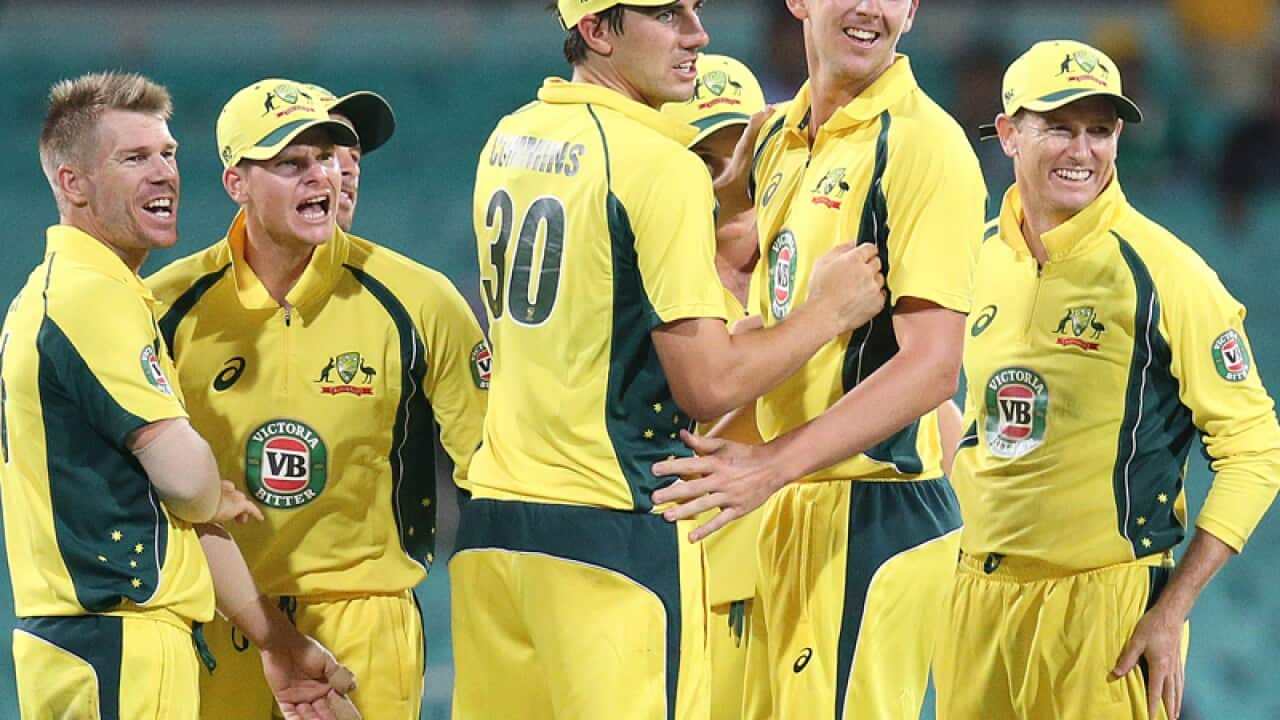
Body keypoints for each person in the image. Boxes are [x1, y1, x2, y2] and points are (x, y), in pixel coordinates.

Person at [451, 1, 888, 718]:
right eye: (665, 15)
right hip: (609, 530)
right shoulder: (657, 165)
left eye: (694, 10)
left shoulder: (510, 136)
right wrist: (827, 314)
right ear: (595, 31)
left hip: (494, 530)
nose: (697, 34)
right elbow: (709, 385)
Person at [651, 1, 987, 717]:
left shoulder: (925, 147)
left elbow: (933, 370)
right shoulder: (774, 134)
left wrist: (770, 464)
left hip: (871, 507)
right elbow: (719, 233)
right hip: (784, 499)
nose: (869, 7)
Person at [930, 39, 1280, 720]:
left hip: (1106, 615)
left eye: (1100, 129)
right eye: (1058, 126)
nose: (1081, 149)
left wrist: (1172, 608)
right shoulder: (971, 259)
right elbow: (954, 409)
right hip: (971, 602)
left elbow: (1255, 449)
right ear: (1007, 133)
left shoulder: (1166, 273)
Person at [2, 71, 359, 720]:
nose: (163, 172)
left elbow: (180, 504)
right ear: (72, 183)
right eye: (133, 158)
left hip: (82, 638)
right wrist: (207, 483)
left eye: (168, 153)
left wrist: (274, 641)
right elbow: (188, 484)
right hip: (119, 639)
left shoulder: (64, 292)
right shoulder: (93, 297)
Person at [147, 77, 490, 720]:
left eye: (328, 158)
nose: (322, 177)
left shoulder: (419, 301)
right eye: (290, 162)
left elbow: (493, 468)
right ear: (236, 183)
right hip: (220, 617)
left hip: (367, 618)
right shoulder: (167, 309)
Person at [661, 52, 770, 720]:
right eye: (706, 159)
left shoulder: (816, 274)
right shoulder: (652, 287)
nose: (731, 178)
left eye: (743, 155)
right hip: (679, 588)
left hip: (799, 583)